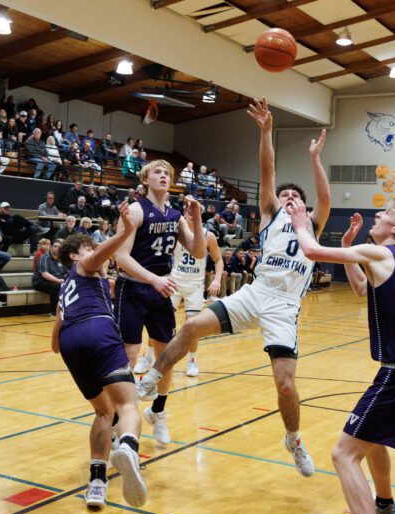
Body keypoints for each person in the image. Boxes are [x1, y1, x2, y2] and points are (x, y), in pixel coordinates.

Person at [136, 98, 329, 477]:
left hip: (285, 306)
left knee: (286, 386)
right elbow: (268, 169)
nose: (289, 199)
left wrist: (316, 159)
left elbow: (323, 197)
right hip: (255, 292)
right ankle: (152, 380)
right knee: (190, 327)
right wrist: (266, 131)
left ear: (304, 206)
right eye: (285, 196)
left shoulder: (313, 224)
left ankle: (293, 439)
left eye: (296, 197)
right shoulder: (272, 216)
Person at [286, 199, 395, 514]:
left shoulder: (381, 251)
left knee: (343, 454)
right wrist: (350, 247)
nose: (377, 216)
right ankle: (384, 505)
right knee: (374, 440)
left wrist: (303, 223)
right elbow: (359, 289)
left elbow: (312, 251)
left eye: (385, 215)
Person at [52, 201, 147, 509]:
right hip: (97, 331)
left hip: (70, 344)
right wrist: (128, 230)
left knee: (103, 412)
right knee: (128, 403)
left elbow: (54, 342)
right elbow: (101, 254)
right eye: (89, 248)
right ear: (74, 255)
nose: (95, 253)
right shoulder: (84, 266)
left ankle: (97, 482)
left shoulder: (67, 288)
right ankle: (129, 448)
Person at [113, 160, 205, 445]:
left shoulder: (177, 215)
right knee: (128, 355)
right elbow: (121, 257)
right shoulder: (136, 210)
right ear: (145, 179)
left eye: (168, 172)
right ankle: (120, 421)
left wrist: (198, 219)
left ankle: (158, 412)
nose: (164, 176)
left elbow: (198, 251)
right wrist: (154, 279)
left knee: (167, 357)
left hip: (160, 290)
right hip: (133, 288)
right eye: (158, 172)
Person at [134, 213, 223, 378]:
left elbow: (218, 260)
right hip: (173, 282)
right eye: (187, 212)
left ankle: (192, 361)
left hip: (195, 286)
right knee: (158, 321)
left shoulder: (207, 235)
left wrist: (217, 280)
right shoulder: (174, 232)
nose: (190, 215)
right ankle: (147, 357)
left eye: (193, 212)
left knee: (192, 324)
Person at [33, 238, 68, 316]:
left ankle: (67, 309)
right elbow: (44, 274)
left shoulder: (61, 258)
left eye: (59, 247)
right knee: (56, 286)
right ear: (51, 247)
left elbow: (67, 272)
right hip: (41, 281)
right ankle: (54, 311)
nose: (57, 248)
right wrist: (58, 280)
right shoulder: (44, 257)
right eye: (55, 246)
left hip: (56, 280)